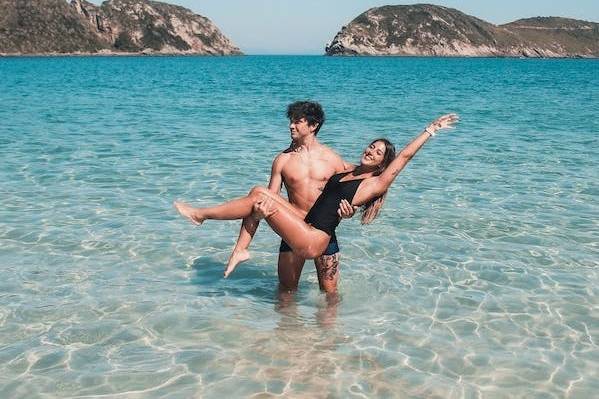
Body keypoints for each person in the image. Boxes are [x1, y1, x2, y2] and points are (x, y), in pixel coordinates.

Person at [174, 113, 459, 285]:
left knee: (329, 296)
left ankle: (202, 215)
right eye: (371, 146)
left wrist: (430, 130)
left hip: (316, 239)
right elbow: (313, 164)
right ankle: (238, 249)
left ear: (384, 164)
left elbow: (405, 157)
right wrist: (293, 147)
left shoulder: (375, 183)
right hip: (302, 226)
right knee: (260, 192)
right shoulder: (347, 169)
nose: (371, 151)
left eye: (378, 152)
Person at [225, 101, 355, 294]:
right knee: (286, 292)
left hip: (323, 231)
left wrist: (349, 212)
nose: (291, 126)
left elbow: (351, 194)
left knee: (330, 295)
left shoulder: (333, 160)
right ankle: (288, 326)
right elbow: (271, 199)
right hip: (294, 228)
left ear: (313, 125)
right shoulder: (282, 160)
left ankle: (328, 326)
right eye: (291, 121)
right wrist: (260, 213)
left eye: (297, 121)